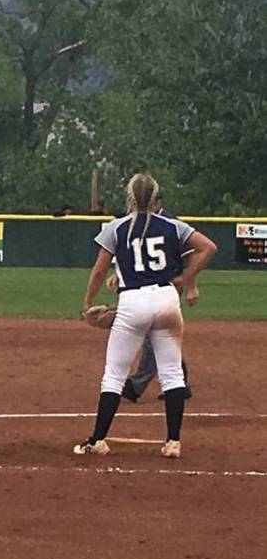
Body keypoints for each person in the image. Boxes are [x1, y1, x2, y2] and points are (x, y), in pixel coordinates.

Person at [74, 173, 217, 459]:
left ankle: (97, 441)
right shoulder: (173, 226)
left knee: (114, 375)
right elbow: (208, 248)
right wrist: (185, 279)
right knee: (173, 374)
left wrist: (88, 303)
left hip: (133, 301)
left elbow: (100, 270)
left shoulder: (116, 228)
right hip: (166, 300)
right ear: (156, 198)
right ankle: (173, 442)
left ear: (129, 198)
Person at [111, 193, 193, 402]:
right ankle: (180, 382)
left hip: (167, 287)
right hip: (145, 287)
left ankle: (135, 387)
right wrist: (118, 274)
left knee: (153, 336)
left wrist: (191, 285)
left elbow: (190, 257)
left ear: (158, 202)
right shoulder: (138, 221)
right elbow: (134, 256)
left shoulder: (170, 224)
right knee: (161, 336)